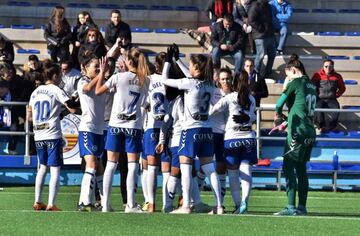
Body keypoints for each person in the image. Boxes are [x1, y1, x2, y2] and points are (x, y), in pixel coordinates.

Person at [161, 45, 223, 214]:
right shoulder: (210, 84)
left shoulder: (189, 83)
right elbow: (192, 76)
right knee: (210, 168)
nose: (188, 67)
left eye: (191, 65)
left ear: (196, 68)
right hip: (207, 129)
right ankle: (219, 206)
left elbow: (165, 80)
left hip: (191, 131)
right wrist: (177, 60)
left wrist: (168, 61)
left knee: (186, 166)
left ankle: (186, 205)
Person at [95, 48, 150, 213]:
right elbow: (147, 103)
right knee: (133, 165)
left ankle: (105, 204)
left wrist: (103, 72)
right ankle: (130, 205)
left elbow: (97, 91)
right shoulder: (144, 80)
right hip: (133, 127)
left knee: (111, 164)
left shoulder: (118, 77)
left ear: (129, 62)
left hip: (115, 125)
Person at [271, 57, 317, 216]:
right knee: (301, 169)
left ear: (293, 70)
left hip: (297, 132)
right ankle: (302, 207)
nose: (287, 79)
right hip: (310, 132)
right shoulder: (311, 85)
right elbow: (299, 108)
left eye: (288, 75)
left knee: (288, 167)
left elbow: (278, 104)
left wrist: (278, 115)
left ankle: (291, 207)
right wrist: (285, 124)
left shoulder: (295, 83)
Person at [28, 63, 76, 211]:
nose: (61, 77)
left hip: (38, 135)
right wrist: (76, 98)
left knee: (42, 168)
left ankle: (38, 201)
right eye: (59, 75)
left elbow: (29, 116)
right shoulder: (56, 90)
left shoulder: (35, 92)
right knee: (55, 169)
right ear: (54, 76)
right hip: (52, 134)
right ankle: (51, 203)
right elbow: (72, 107)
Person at [210, 70, 257, 214]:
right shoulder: (251, 99)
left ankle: (237, 205)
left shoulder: (230, 97)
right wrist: (247, 118)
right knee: (246, 171)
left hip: (231, 138)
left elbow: (213, 110)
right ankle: (244, 202)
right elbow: (253, 116)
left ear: (235, 82)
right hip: (248, 137)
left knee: (233, 174)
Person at [77, 55, 107, 211]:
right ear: (86, 68)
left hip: (100, 129)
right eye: (95, 66)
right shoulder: (82, 81)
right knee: (92, 164)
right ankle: (84, 202)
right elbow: (87, 89)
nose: (97, 68)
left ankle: (104, 202)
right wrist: (102, 73)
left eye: (99, 66)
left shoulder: (101, 82)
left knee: (100, 165)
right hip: (87, 129)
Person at [142, 52, 169, 212]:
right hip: (167, 126)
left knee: (149, 167)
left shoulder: (149, 80)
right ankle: (167, 204)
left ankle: (150, 202)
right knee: (165, 169)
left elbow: (144, 103)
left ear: (157, 66)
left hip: (151, 126)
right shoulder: (170, 82)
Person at [212, 67, 233, 205]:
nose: (225, 81)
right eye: (223, 79)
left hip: (229, 134)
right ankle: (193, 201)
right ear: (218, 80)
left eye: (227, 78)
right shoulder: (213, 93)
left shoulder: (235, 95)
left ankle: (219, 202)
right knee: (204, 166)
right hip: (214, 133)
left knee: (222, 167)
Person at [311, 59, 346, 132]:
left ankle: (332, 126)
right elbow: (311, 86)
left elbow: (342, 88)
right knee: (318, 109)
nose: (328, 68)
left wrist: (336, 95)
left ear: (333, 67)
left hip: (332, 99)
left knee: (336, 109)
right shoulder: (317, 75)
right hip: (320, 99)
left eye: (330, 66)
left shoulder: (337, 76)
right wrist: (315, 95)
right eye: (326, 66)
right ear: (323, 66)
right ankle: (321, 126)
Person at [247, 0, 276, 78]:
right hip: (260, 35)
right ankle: (256, 73)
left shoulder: (269, 6)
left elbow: (270, 19)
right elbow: (251, 20)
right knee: (260, 55)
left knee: (272, 54)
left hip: (270, 35)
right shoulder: (254, 6)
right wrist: (261, 28)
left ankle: (268, 72)